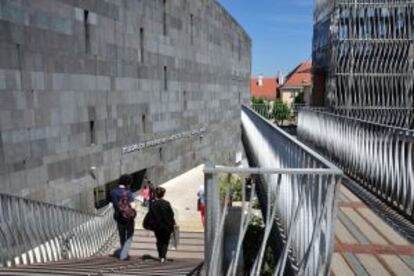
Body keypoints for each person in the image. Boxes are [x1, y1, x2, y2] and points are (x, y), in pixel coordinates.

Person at [110, 174, 136, 259]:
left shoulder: (113, 192)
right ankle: (125, 253)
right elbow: (133, 205)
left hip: (119, 217)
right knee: (129, 234)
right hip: (129, 218)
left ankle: (123, 252)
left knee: (122, 234)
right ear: (127, 183)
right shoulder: (128, 192)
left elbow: (115, 205)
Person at [150, 186, 175, 262]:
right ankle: (163, 256)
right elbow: (171, 214)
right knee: (165, 241)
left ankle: (160, 255)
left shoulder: (153, 204)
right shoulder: (166, 203)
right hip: (166, 226)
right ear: (163, 194)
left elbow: (151, 215)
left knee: (159, 240)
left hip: (157, 226)